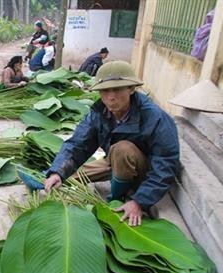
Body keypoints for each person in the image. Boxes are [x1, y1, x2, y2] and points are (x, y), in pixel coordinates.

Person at [44, 61, 179, 227]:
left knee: (122, 149)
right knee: (66, 175)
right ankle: (52, 177)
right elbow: (78, 144)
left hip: (143, 171)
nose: (110, 97)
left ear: (131, 89)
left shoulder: (155, 118)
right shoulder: (99, 113)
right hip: (115, 162)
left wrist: (140, 201)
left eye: (117, 89)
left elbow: (165, 163)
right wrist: (57, 172)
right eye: (105, 91)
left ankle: (117, 198)